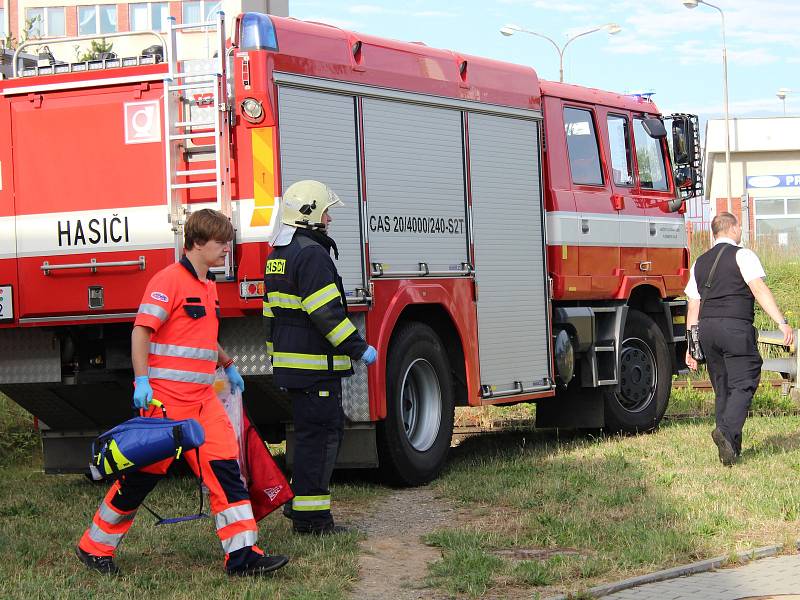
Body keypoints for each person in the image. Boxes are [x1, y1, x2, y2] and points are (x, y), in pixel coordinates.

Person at [75, 209, 289, 576]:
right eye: (221, 242)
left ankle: (242, 556)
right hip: (165, 404)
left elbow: (200, 338)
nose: (227, 249)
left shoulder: (207, 285)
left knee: (226, 472)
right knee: (140, 478)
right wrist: (142, 381)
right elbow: (141, 331)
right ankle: (95, 546)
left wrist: (228, 364)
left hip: (204, 400)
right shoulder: (168, 281)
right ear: (198, 243)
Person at [263, 180, 377, 535]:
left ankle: (303, 509)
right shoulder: (312, 255)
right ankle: (312, 519)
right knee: (322, 440)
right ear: (310, 214)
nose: (329, 218)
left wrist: (277, 359)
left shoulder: (280, 255)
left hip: (295, 369)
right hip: (316, 370)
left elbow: (270, 316)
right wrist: (359, 348)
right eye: (326, 211)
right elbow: (325, 313)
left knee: (313, 438)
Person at [685, 212, 793, 465]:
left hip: (707, 331)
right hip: (735, 327)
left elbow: (692, 306)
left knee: (723, 388)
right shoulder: (743, 255)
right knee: (744, 381)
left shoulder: (699, 262)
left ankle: (730, 450)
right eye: (740, 227)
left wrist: (691, 346)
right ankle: (725, 431)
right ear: (733, 229)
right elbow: (758, 289)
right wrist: (781, 322)